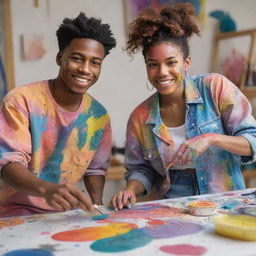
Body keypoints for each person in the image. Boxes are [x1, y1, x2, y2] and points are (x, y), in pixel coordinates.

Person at [111, 3, 256, 210]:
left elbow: (253, 140)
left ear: (186, 62)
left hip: (226, 201)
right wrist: (130, 190)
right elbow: (141, 169)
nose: (162, 72)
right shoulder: (140, 117)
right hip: (174, 206)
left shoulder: (214, 87)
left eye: (171, 63)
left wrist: (212, 139)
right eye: (153, 64)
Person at [0, 13, 116, 217]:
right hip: (13, 215)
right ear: (60, 58)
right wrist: (47, 190)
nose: (85, 69)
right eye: (76, 58)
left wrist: (97, 205)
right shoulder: (21, 100)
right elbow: (9, 163)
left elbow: (95, 170)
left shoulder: (99, 116)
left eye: (95, 63)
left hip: (64, 216)